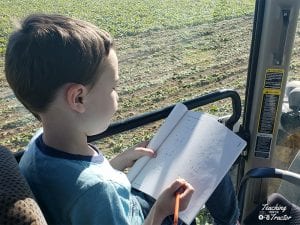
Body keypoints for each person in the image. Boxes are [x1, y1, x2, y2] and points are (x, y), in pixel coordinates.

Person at [5, 14, 239, 225]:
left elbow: (78, 183)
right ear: (78, 98)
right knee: (209, 157)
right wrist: (160, 211)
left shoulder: (37, 147)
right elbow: (93, 192)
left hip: (124, 203)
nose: (118, 95)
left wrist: (120, 160)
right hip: (142, 216)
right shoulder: (99, 191)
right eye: (114, 87)